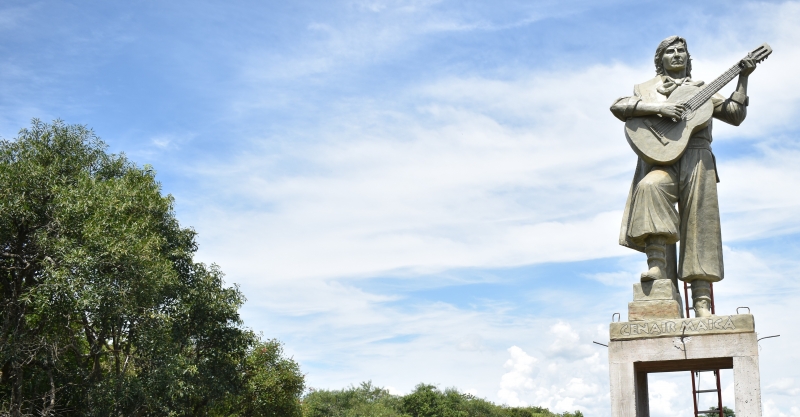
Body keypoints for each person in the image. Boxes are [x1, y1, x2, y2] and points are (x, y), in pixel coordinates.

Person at [610, 36, 756, 317]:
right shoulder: (645, 88)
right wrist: (658, 108)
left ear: (688, 58)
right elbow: (619, 106)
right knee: (649, 187)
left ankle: (701, 301)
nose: (677, 54)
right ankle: (657, 267)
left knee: (700, 224)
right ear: (660, 59)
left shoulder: (701, 90)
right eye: (670, 51)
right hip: (661, 157)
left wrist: (743, 78)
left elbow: (735, 115)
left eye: (681, 51)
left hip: (698, 156)